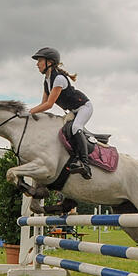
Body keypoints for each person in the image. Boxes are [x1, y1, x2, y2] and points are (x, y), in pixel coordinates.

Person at [29, 47, 93, 179]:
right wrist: (31, 113)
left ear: (50, 62)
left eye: (40, 60)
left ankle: (85, 165)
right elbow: (43, 104)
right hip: (73, 111)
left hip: (84, 107)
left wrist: (29, 112)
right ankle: (74, 157)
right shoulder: (47, 82)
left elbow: (49, 104)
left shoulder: (58, 79)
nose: (37, 64)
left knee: (76, 128)